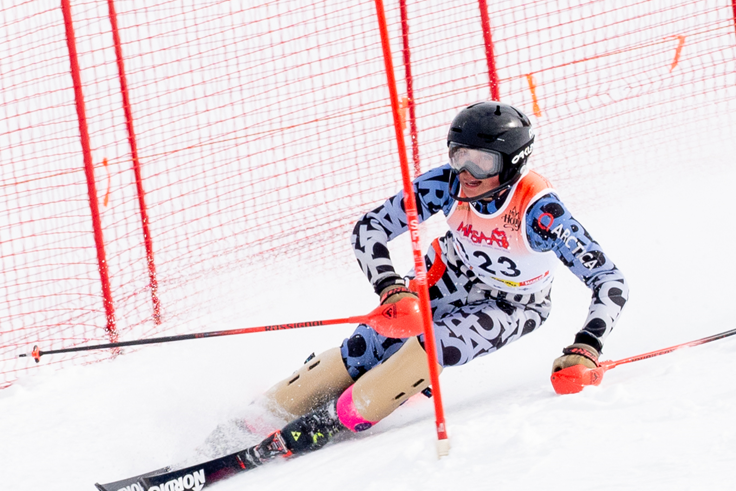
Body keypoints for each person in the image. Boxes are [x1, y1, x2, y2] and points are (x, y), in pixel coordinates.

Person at [223, 101, 628, 459]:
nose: (467, 172)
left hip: (511, 303)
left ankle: (338, 418)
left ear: (512, 162)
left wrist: (587, 346)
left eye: (483, 162)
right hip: (445, 274)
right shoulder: (448, 183)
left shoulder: (540, 213)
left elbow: (609, 280)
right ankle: (259, 417)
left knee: (432, 346)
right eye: (459, 156)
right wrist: (391, 289)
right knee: (367, 347)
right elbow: (370, 229)